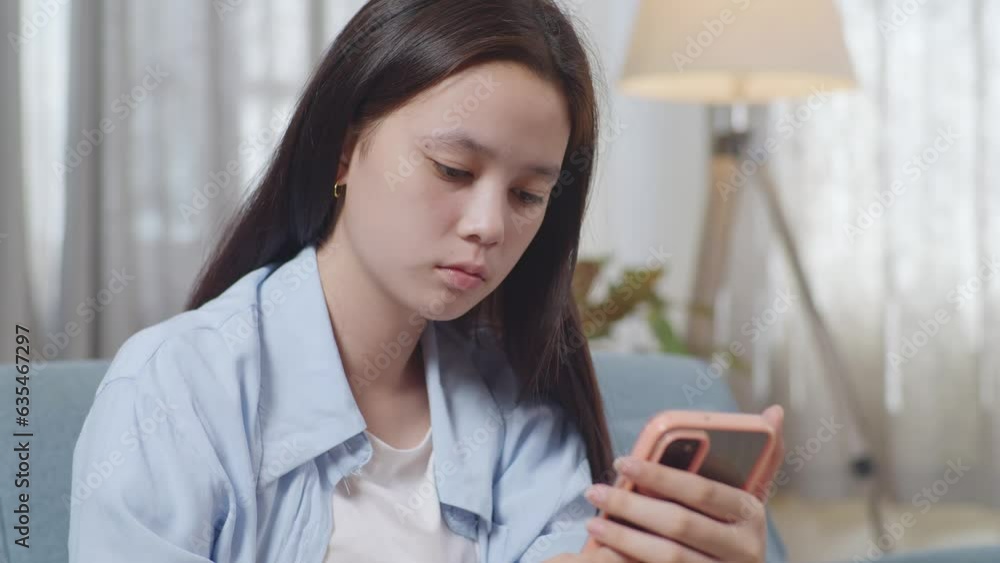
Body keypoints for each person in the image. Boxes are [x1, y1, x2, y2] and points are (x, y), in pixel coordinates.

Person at [68, 0, 785, 561]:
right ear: (346, 151)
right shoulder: (176, 392)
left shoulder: (520, 404)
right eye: (453, 169)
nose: (489, 225)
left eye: (528, 195)